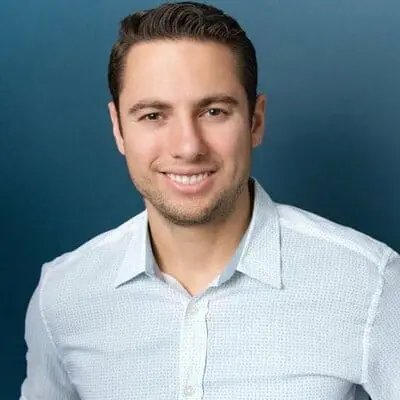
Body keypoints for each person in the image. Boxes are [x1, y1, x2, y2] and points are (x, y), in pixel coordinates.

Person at [20, 2, 399, 399]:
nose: (188, 147)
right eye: (153, 115)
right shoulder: (62, 297)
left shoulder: (371, 285)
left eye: (214, 111)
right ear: (118, 128)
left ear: (255, 121)